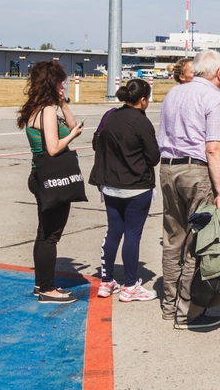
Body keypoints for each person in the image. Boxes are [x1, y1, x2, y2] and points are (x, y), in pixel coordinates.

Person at [157, 49, 220, 330]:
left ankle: (168, 305)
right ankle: (186, 312)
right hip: (196, 171)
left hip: (168, 169)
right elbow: (214, 147)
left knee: (172, 238)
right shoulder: (213, 97)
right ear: (219, 73)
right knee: (196, 242)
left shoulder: (175, 93)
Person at [18, 60, 83, 304]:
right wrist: (73, 136)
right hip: (49, 178)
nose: (64, 84)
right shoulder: (45, 111)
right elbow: (55, 148)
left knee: (44, 233)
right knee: (50, 237)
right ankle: (47, 289)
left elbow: (72, 126)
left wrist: (64, 105)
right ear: (53, 82)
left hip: (40, 176)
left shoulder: (40, 108)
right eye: (61, 81)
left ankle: (40, 283)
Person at [89, 78, 159, 302]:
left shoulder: (111, 116)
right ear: (142, 100)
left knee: (113, 231)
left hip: (110, 184)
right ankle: (130, 285)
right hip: (136, 186)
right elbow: (154, 157)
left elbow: (96, 142)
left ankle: (107, 281)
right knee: (132, 235)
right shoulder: (141, 122)